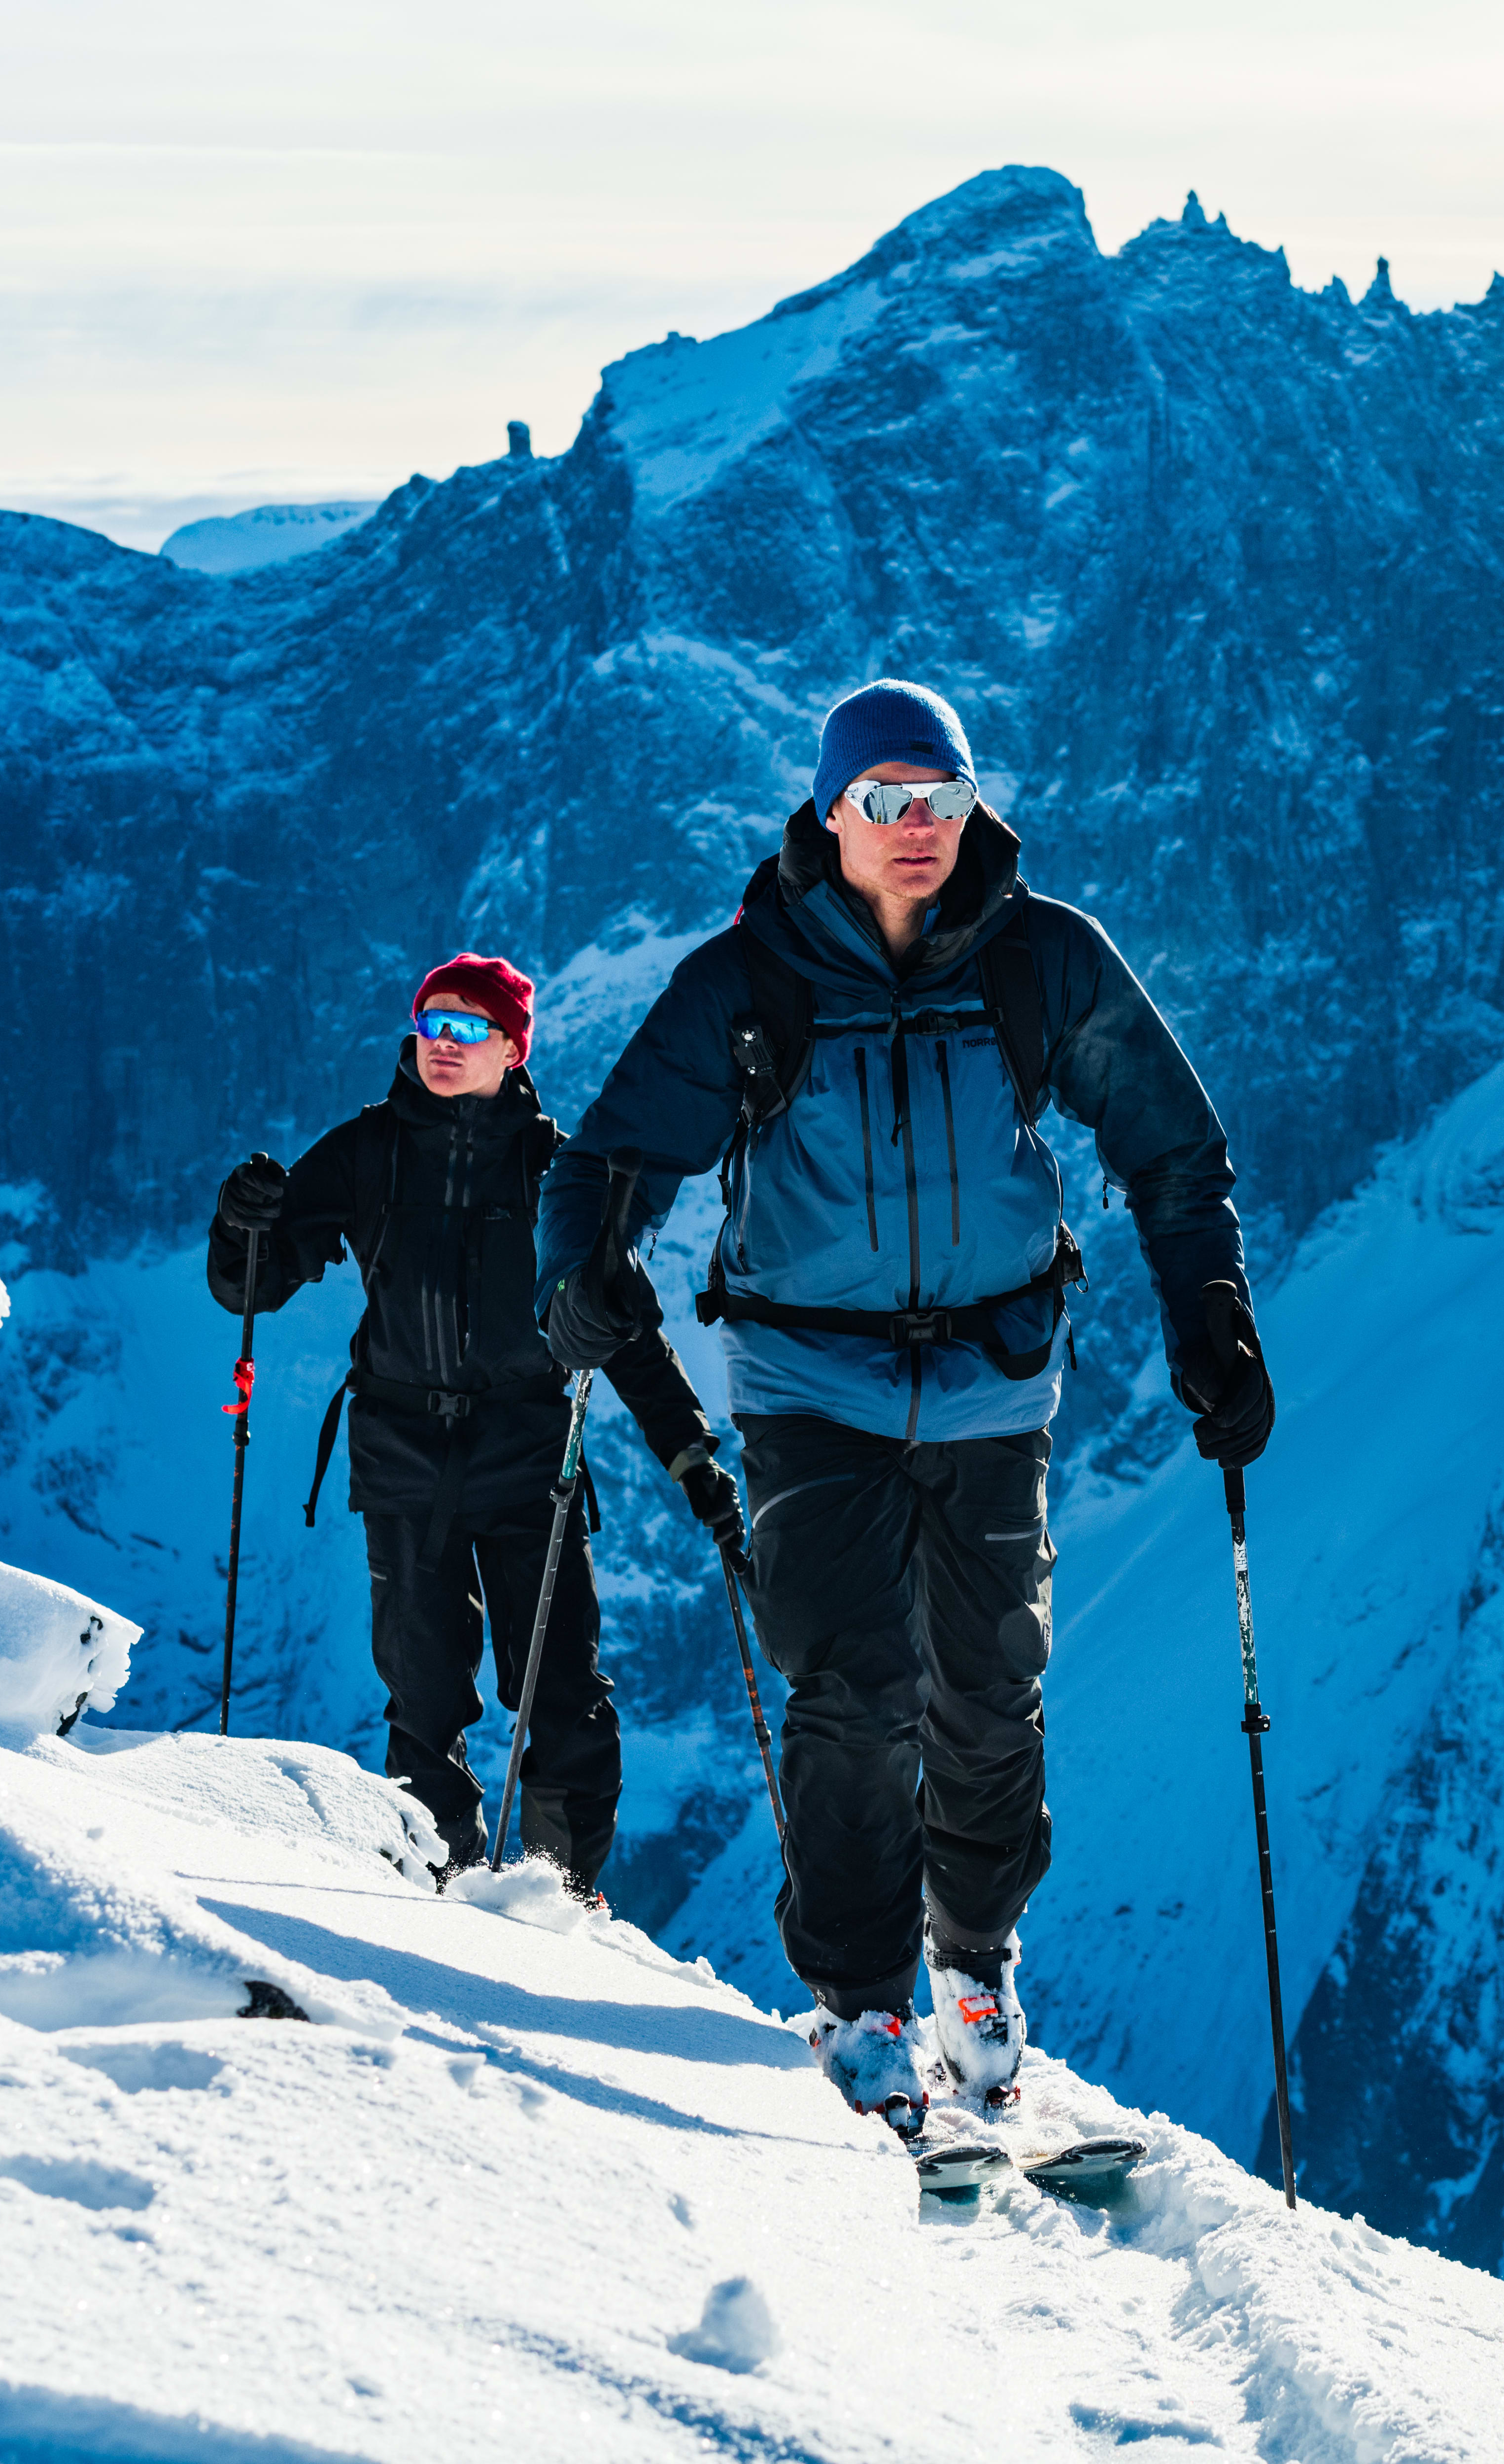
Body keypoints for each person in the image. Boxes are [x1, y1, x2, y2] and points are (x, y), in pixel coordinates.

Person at [534, 681, 1271, 2136]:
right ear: (829, 815)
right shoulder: (752, 981)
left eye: (940, 795)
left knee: (992, 1692)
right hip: (813, 1390)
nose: (917, 826)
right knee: (855, 1691)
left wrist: (1215, 1318)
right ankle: (864, 2007)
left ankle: (976, 1965)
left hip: (998, 1384)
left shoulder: (1041, 959)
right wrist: (581, 1271)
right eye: (884, 799)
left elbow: (1174, 1151)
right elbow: (608, 1163)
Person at [207, 952, 741, 1893]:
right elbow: (251, 1285)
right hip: (401, 1450)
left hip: (526, 1452)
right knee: (422, 1704)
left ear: (512, 1050)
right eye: (430, 1025)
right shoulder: (367, 1150)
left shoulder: (556, 1168)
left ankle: (558, 1904)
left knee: (565, 1700)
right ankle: (438, 1896)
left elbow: (623, 1329)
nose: (442, 1045)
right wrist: (241, 1223)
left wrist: (692, 1457)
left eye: (467, 1030)